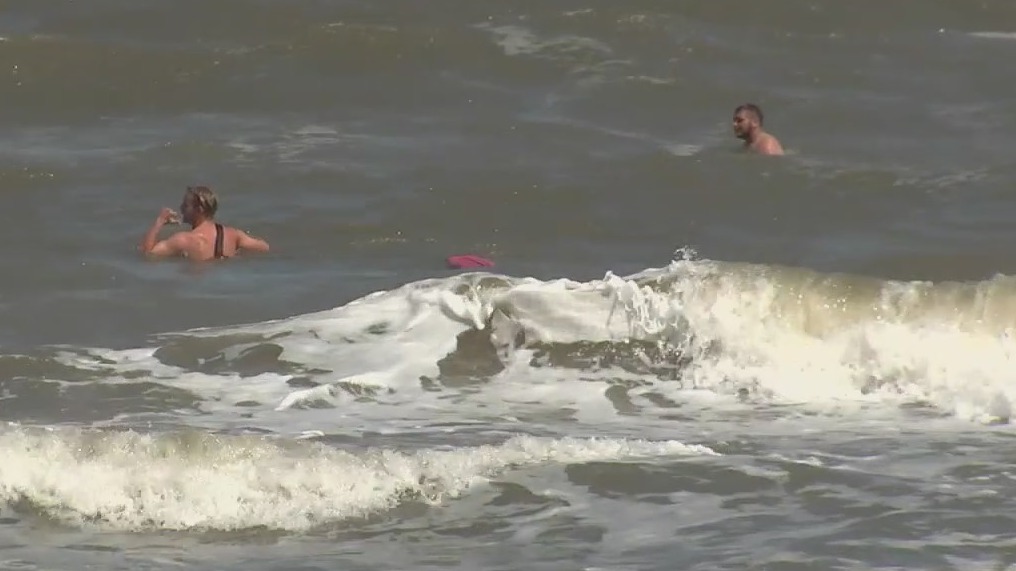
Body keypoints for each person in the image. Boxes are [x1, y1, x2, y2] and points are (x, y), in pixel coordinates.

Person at [140, 186, 270, 260]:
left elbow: (147, 254)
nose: (181, 209)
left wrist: (159, 222)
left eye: (186, 205)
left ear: (199, 209)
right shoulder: (233, 235)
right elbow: (264, 247)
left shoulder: (183, 240)